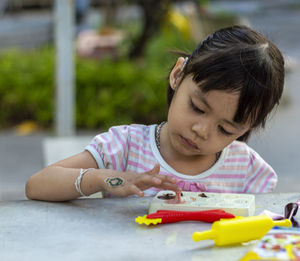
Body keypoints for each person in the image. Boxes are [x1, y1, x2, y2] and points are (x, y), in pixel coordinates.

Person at [25, 25, 285, 202]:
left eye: (226, 129)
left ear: (247, 128)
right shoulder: (126, 147)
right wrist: (107, 179)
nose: (201, 131)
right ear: (177, 74)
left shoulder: (248, 171)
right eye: (197, 108)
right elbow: (37, 185)